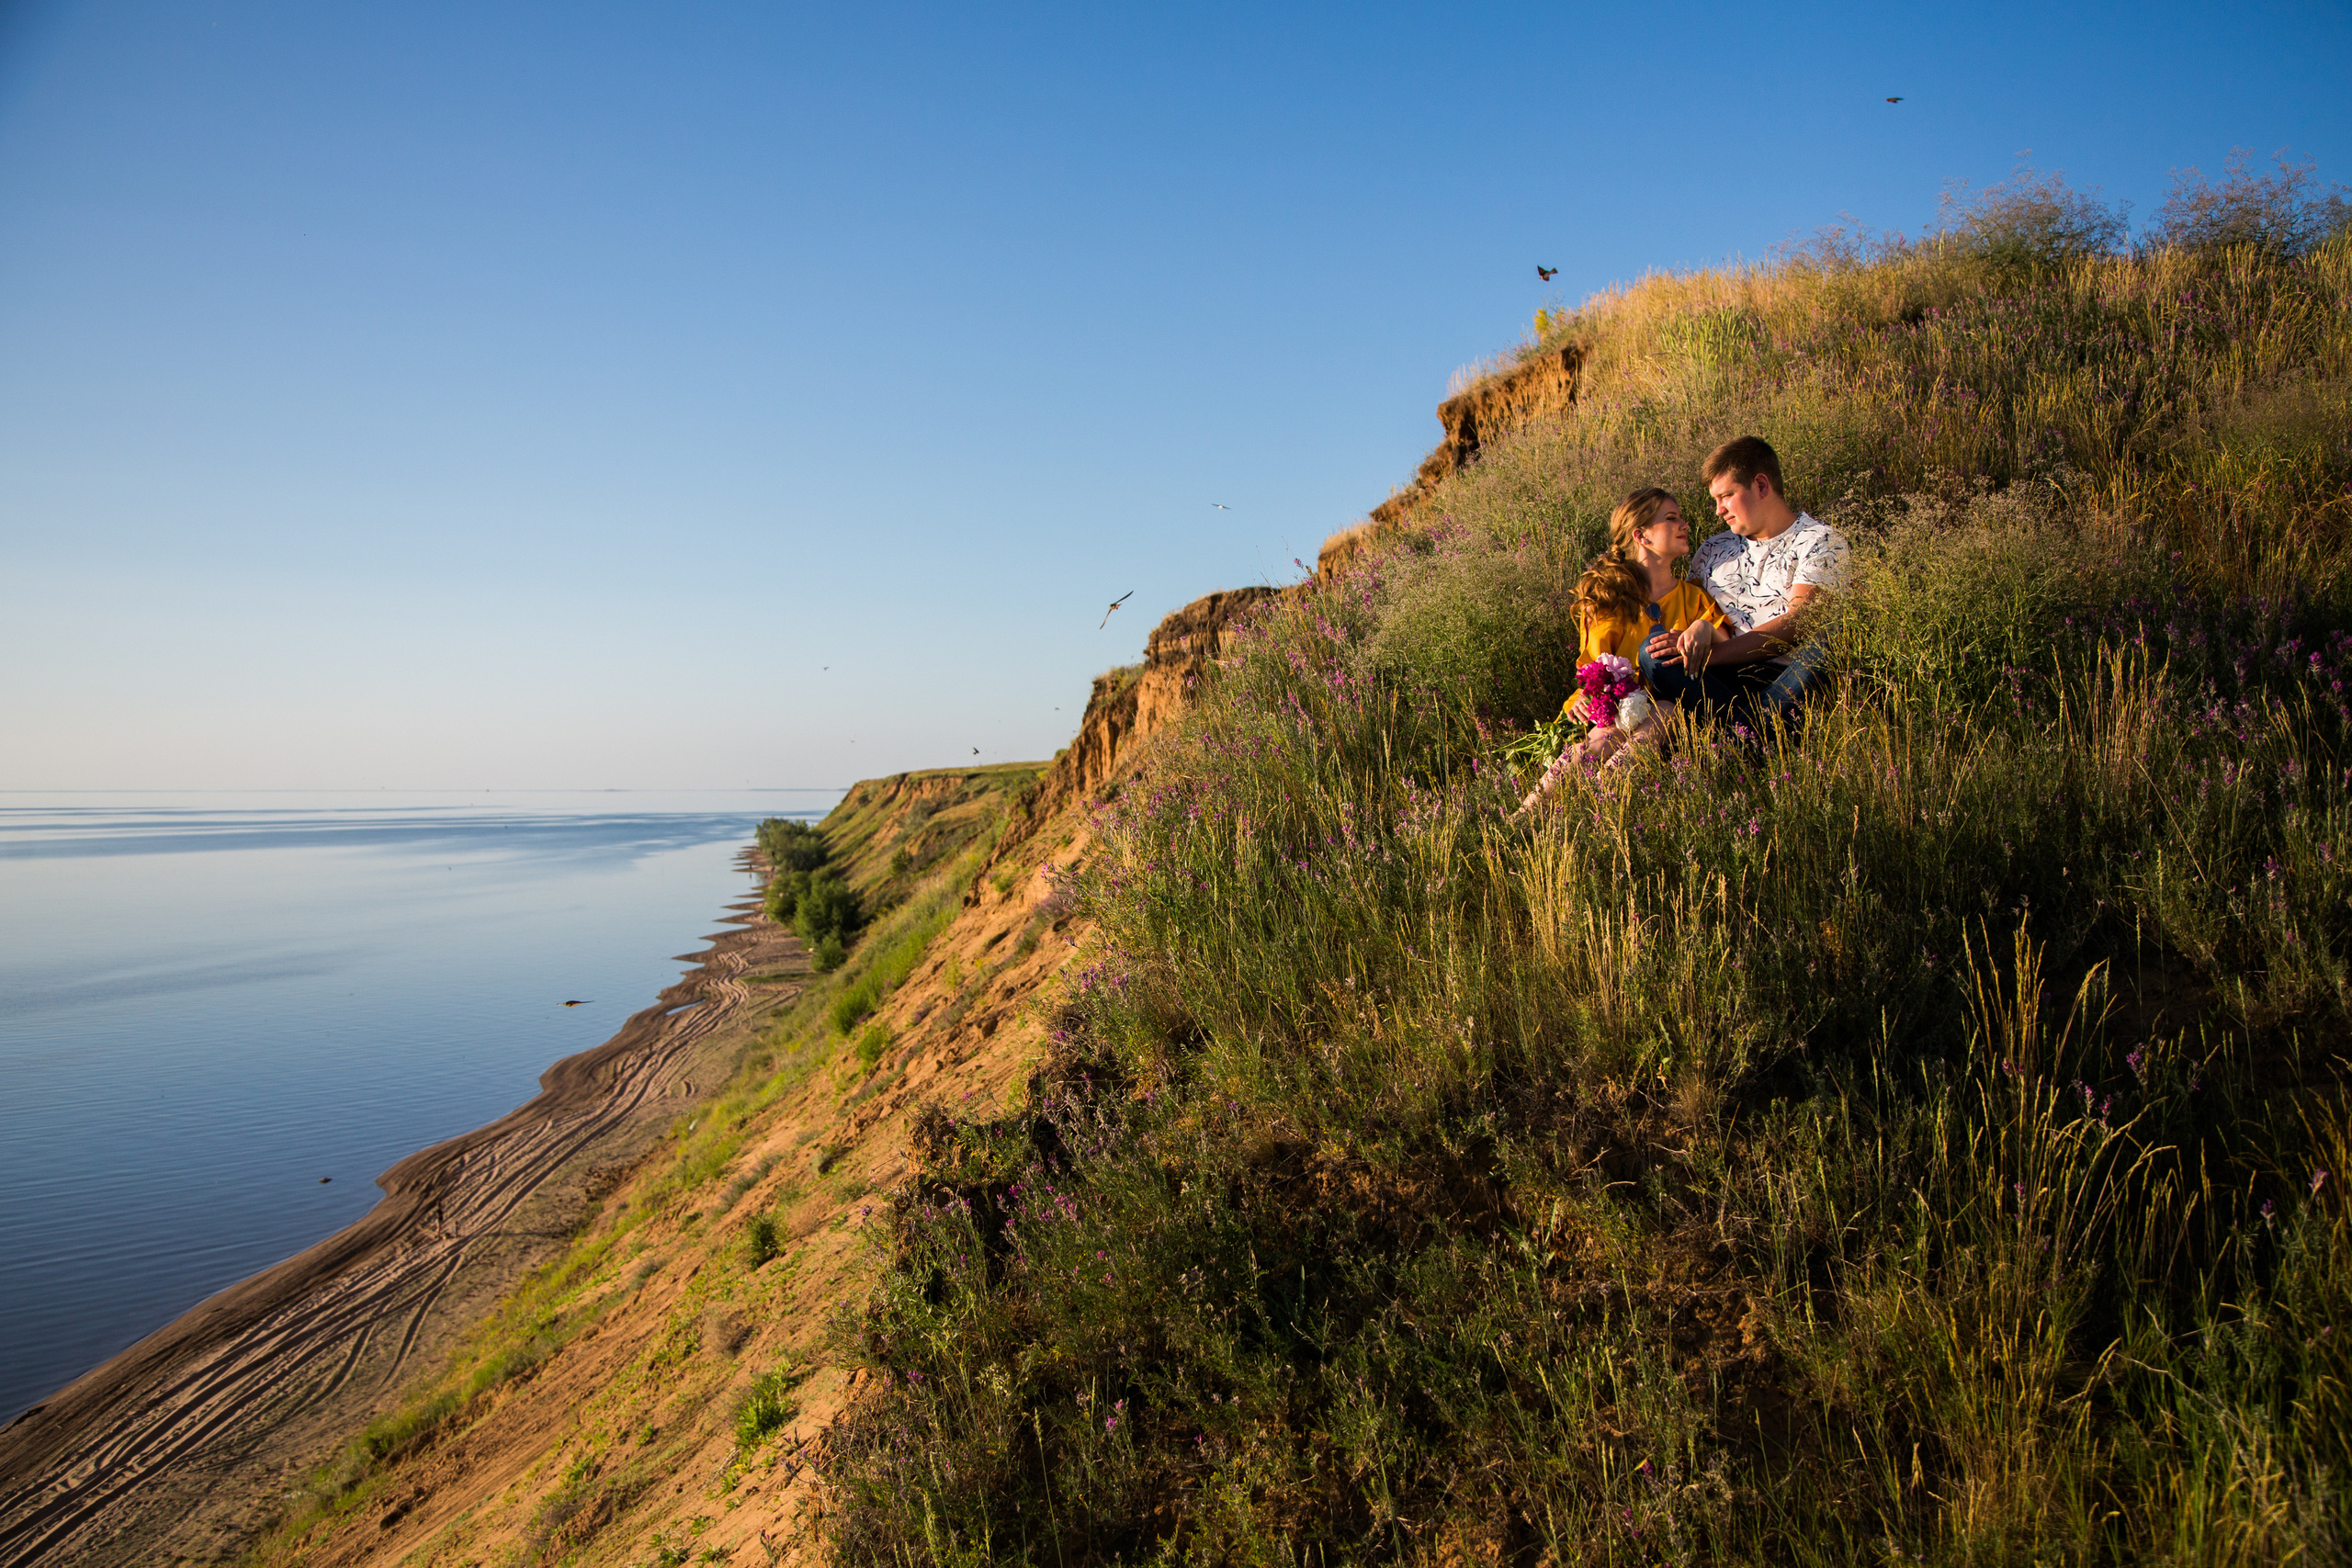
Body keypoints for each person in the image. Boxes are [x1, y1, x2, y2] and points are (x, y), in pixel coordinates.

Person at [1519, 487, 1727, 810]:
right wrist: (1584, 698)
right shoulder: (1607, 600)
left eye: (1681, 518)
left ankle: (1599, 805)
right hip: (1619, 712)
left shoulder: (1694, 598)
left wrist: (1704, 627)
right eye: (1671, 518)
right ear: (1641, 535)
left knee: (1665, 710)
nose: (1684, 524)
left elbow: (1725, 646)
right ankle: (1524, 816)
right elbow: (1592, 669)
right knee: (1602, 736)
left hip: (1679, 716)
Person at [1641, 434, 1849, 732]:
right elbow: (1691, 614)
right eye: (1715, 500)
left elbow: (1799, 623)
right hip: (1719, 683)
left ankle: (1739, 738)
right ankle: (1753, 736)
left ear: (1761, 485)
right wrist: (1700, 628)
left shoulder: (1820, 540)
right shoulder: (1712, 550)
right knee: (1652, 651)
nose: (1718, 510)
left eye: (1726, 496)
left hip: (1787, 679)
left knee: (1830, 641)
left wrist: (1711, 656)